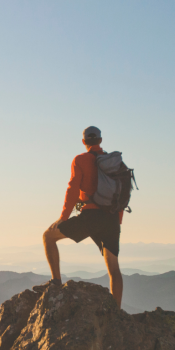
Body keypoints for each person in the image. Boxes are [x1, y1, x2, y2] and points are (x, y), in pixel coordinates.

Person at [43, 126, 123, 308]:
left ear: (84, 142)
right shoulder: (113, 163)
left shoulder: (80, 160)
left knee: (48, 237)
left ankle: (56, 282)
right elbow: (122, 193)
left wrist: (63, 217)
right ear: (100, 141)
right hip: (111, 218)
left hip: (91, 216)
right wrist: (117, 221)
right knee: (114, 268)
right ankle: (116, 311)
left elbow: (72, 189)